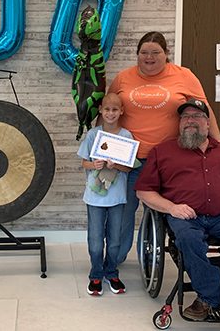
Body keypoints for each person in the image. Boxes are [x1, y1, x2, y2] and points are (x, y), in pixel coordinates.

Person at [135, 99, 220, 328]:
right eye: (185, 117)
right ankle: (208, 296)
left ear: (207, 123)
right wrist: (171, 208)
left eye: (196, 117)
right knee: (187, 240)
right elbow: (144, 191)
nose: (190, 121)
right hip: (185, 217)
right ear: (179, 124)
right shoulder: (162, 152)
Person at [107, 31, 220, 264]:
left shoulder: (184, 76)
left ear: (166, 54)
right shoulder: (123, 78)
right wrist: (101, 148)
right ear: (137, 54)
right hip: (129, 160)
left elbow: (204, 111)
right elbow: (109, 113)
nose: (149, 57)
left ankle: (153, 259)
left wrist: (218, 145)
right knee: (122, 213)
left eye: (155, 53)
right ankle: (113, 261)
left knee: (166, 213)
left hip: (171, 160)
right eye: (144, 53)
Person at [77, 93, 133, 296]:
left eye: (115, 109)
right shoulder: (93, 134)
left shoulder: (126, 136)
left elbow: (128, 169)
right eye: (107, 109)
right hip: (94, 197)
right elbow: (84, 162)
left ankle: (112, 272)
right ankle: (96, 274)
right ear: (101, 110)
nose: (111, 113)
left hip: (117, 197)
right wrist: (95, 164)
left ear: (121, 112)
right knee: (95, 239)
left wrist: (115, 164)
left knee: (115, 239)